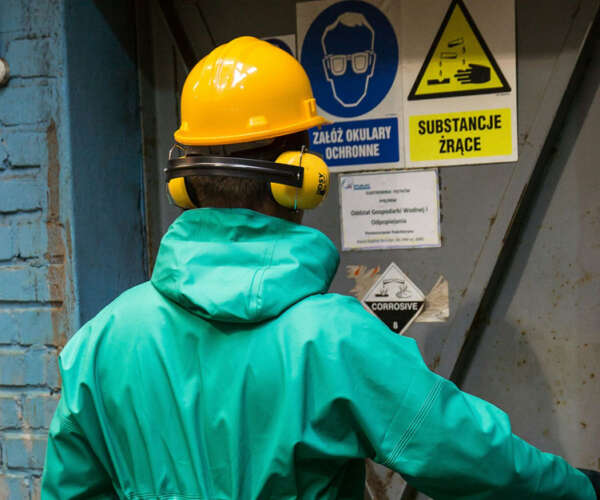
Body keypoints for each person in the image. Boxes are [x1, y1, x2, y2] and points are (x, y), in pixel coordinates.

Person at [41, 36, 598, 500]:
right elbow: (471, 456)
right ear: (303, 173)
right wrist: (578, 488)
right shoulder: (335, 340)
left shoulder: (101, 343)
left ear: (185, 179)